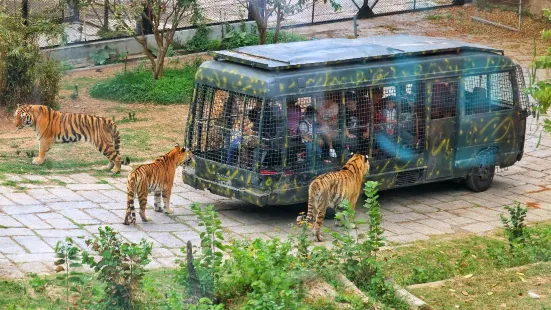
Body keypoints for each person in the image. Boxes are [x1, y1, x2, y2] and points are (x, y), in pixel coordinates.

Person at [317, 92, 340, 158]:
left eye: (331, 101)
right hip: (320, 130)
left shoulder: (335, 106)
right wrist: (325, 123)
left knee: (326, 129)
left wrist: (327, 123)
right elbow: (318, 120)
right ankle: (330, 150)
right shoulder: (319, 105)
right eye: (327, 101)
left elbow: (335, 121)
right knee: (322, 132)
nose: (329, 103)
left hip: (333, 128)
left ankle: (330, 150)